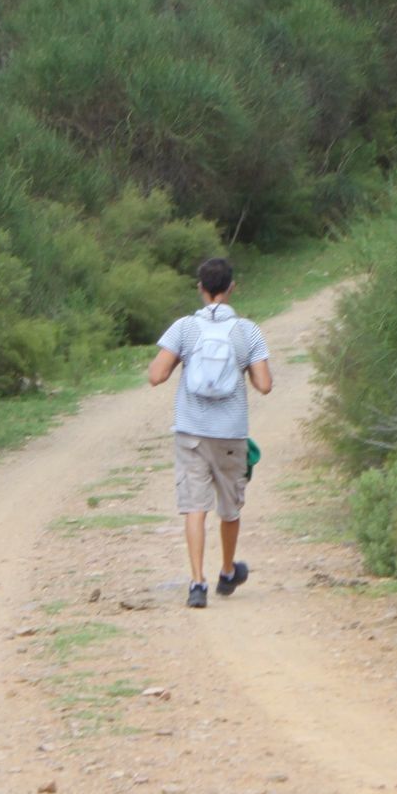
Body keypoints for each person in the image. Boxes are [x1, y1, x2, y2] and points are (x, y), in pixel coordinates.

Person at [148, 256, 272, 608]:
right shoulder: (247, 331)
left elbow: (156, 376)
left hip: (191, 431)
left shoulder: (185, 328)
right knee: (229, 507)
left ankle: (197, 582)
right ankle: (228, 570)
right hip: (230, 433)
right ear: (232, 288)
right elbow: (264, 385)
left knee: (194, 507)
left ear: (200, 288)